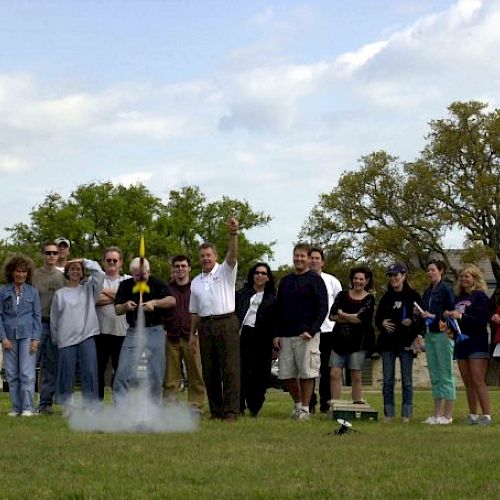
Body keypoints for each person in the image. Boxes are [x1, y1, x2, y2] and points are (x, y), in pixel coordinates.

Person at [189, 218, 240, 421]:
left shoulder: (225, 271)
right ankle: (216, 410)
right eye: (202, 256)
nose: (205, 259)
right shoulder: (195, 282)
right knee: (209, 371)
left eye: (209, 255)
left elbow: (233, 255)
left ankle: (230, 411)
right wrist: (192, 334)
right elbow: (194, 310)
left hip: (226, 321)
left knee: (230, 369)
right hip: (205, 325)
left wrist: (233, 234)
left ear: (215, 256)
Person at [273, 243, 328, 421]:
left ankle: (305, 409)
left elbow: (323, 308)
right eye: (296, 255)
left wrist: (311, 330)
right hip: (286, 334)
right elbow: (278, 309)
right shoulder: (286, 281)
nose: (299, 259)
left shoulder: (315, 280)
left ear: (308, 258)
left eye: (302, 256)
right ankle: (297, 405)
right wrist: (276, 334)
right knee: (286, 374)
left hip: (307, 335)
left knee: (307, 373)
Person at [113, 257, 176, 405]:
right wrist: (125, 306)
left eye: (143, 275)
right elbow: (117, 309)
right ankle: (121, 409)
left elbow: (172, 300)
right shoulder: (125, 285)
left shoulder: (157, 283)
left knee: (156, 371)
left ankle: (153, 408)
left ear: (148, 271)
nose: (140, 278)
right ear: (131, 273)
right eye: (136, 275)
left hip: (155, 330)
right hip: (133, 331)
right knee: (123, 370)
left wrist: (155, 303)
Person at [50, 259, 104, 410]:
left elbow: (99, 273)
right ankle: (66, 405)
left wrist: (83, 261)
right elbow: (54, 319)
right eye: (72, 269)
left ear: (82, 273)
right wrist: (56, 339)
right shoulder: (59, 294)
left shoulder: (89, 290)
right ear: (66, 273)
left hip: (87, 336)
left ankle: (90, 405)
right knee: (66, 373)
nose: (75, 271)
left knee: (90, 371)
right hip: (66, 339)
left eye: (78, 269)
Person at [375, 264, 423, 423]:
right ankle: (388, 414)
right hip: (388, 343)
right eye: (390, 275)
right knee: (388, 380)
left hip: (406, 343)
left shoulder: (413, 296)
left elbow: (422, 319)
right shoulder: (386, 297)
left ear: (404, 276)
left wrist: (413, 321)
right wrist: (382, 323)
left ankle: (406, 415)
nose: (393, 278)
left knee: (407, 381)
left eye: (396, 275)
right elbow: (377, 319)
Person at [444, 264, 491, 425]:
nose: (464, 279)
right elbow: (456, 322)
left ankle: (486, 415)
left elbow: (481, 320)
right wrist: (450, 323)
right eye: (462, 276)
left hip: (477, 343)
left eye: (467, 276)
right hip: (461, 343)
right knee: (468, 381)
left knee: (478, 380)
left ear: (475, 279)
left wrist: (462, 317)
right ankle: (472, 415)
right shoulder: (458, 298)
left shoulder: (481, 297)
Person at [0, 254, 42, 417]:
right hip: (9, 338)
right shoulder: (3, 291)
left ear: (28, 273)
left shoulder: (33, 292)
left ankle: (28, 408)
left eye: (24, 272)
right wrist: (3, 338)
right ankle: (16, 408)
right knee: (11, 373)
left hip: (27, 337)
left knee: (27, 373)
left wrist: (35, 339)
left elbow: (37, 317)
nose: (21, 275)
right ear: (11, 272)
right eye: (18, 271)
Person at [163, 255, 205, 412]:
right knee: (170, 376)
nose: (180, 269)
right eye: (177, 266)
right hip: (171, 337)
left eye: (183, 266)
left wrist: (197, 333)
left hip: (191, 337)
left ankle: (195, 406)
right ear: (173, 269)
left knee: (195, 374)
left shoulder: (196, 288)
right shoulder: (166, 289)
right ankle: (169, 408)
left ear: (189, 268)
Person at [329, 266, 375, 404]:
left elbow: (361, 319)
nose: (358, 281)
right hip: (339, 340)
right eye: (356, 278)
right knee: (334, 373)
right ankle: (335, 404)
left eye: (361, 279)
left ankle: (357, 403)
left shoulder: (369, 299)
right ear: (352, 279)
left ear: (366, 281)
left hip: (359, 342)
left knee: (356, 374)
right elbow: (332, 315)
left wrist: (342, 314)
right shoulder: (342, 295)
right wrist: (351, 317)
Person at [235, 262, 276, 417]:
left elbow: (275, 322)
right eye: (257, 272)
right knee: (241, 371)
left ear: (268, 278)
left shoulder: (272, 298)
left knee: (260, 374)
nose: (260, 276)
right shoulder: (241, 294)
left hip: (263, 337)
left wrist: (275, 345)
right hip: (244, 334)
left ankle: (255, 406)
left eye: (263, 273)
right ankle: (239, 405)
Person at [419, 260, 456, 425]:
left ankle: (448, 416)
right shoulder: (427, 292)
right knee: (435, 375)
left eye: (432, 270)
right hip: (429, 335)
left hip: (443, 334)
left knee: (445, 374)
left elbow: (451, 312)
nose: (429, 273)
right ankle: (436, 415)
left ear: (441, 271)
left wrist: (435, 315)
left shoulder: (446, 289)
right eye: (428, 270)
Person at [32, 242, 66, 414]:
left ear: (59, 255)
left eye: (55, 253)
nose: (51, 256)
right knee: (29, 364)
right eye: (48, 253)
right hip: (35, 325)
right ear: (43, 254)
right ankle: (26, 403)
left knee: (50, 366)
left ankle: (45, 404)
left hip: (54, 325)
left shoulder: (63, 277)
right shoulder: (34, 275)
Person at [308, 247, 342, 413]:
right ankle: (309, 404)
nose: (314, 261)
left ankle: (326, 404)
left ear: (322, 261)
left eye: (317, 258)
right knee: (309, 371)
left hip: (329, 331)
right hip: (309, 332)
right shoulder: (303, 280)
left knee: (327, 371)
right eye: (311, 258)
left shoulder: (332, 281)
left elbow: (339, 305)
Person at [95, 246, 130, 401]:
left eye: (115, 260)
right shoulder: (96, 279)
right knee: (98, 370)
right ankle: (96, 405)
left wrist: (105, 294)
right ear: (103, 262)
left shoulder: (128, 280)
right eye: (108, 260)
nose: (111, 263)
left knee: (121, 370)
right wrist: (118, 297)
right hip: (99, 332)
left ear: (121, 262)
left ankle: (121, 404)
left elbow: (130, 299)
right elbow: (94, 299)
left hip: (121, 333)